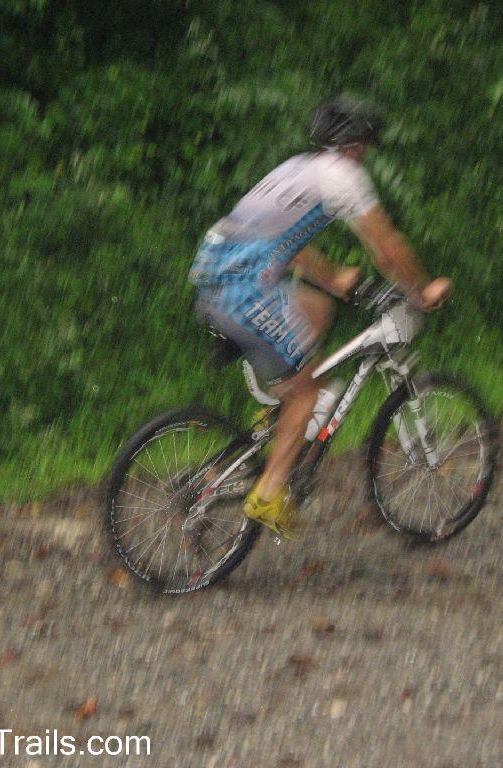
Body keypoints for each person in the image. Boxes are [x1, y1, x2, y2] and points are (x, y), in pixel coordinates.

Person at [189, 97, 452, 540]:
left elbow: (284, 239)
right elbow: (387, 248)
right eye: (366, 143)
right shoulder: (342, 177)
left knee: (318, 309)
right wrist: (421, 291)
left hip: (218, 278)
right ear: (355, 144)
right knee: (309, 392)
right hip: (243, 289)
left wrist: (332, 278)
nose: (366, 151)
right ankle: (269, 491)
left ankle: (277, 418)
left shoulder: (299, 168)